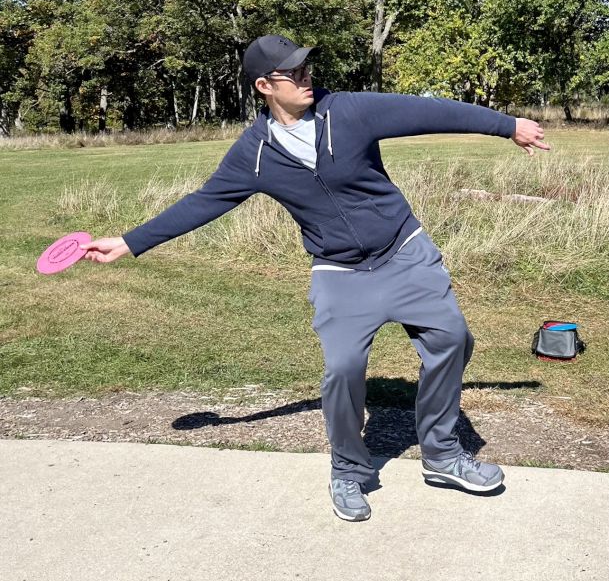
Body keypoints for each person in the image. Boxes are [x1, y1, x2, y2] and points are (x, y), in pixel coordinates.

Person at [81, 34, 550, 522]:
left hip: (406, 253)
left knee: (453, 338)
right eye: (294, 73)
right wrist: (129, 242)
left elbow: (427, 111)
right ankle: (348, 469)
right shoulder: (254, 154)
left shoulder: (348, 111)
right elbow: (205, 202)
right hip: (340, 273)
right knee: (343, 368)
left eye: (307, 68)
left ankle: (442, 454)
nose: (307, 78)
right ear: (265, 86)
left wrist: (507, 125)